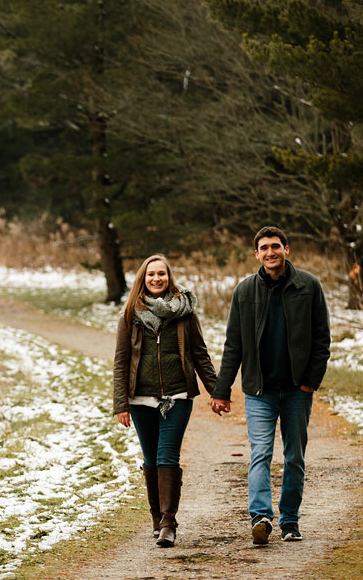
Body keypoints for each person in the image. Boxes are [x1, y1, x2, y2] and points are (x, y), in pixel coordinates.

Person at [209, 226, 330, 546]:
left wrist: (309, 384)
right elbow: (233, 344)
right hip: (259, 392)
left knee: (294, 457)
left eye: (276, 246)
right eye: (264, 248)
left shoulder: (309, 286)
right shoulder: (245, 291)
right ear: (256, 254)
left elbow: (322, 340)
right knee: (260, 453)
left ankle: (290, 520)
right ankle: (260, 517)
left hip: (295, 391)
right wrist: (221, 391)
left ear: (286, 249)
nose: (270, 252)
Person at [114, 254, 218, 547]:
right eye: (151, 275)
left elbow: (200, 354)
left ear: (169, 278)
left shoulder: (185, 312)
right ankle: (157, 519)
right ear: (143, 280)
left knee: (166, 457)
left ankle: (169, 523)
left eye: (161, 274)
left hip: (178, 395)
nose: (156, 279)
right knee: (150, 460)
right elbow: (121, 361)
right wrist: (120, 403)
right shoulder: (131, 314)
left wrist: (216, 391)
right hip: (140, 399)